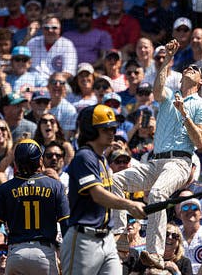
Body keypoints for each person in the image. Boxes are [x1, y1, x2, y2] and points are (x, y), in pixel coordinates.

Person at [112, 39, 202, 270]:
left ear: (201, 80)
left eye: (196, 69)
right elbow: (156, 90)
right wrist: (167, 59)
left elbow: (201, 141)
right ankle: (120, 235)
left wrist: (184, 113)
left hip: (179, 162)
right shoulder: (169, 95)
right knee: (114, 180)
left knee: (157, 193)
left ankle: (155, 252)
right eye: (188, 67)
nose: (191, 69)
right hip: (155, 161)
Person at [60, 105, 146, 275]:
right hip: (84, 239)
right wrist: (129, 205)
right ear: (91, 130)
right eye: (106, 128)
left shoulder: (103, 160)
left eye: (113, 128)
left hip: (106, 237)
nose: (112, 132)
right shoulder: (84, 156)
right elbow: (97, 194)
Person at [0, 139, 70, 275]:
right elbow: (66, 224)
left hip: (16, 254)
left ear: (16, 163)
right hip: (45, 254)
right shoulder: (56, 186)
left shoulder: (4, 189)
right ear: (40, 161)